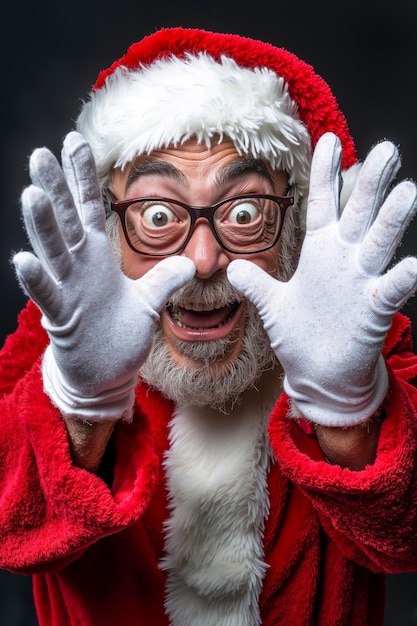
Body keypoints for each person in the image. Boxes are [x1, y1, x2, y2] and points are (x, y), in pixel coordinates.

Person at [1, 25, 417, 626]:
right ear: (106, 221)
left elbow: (402, 542)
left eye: (244, 213)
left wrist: (347, 409)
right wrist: (82, 403)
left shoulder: (358, 338)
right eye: (157, 214)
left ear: (298, 224)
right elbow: (15, 535)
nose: (201, 260)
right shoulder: (62, 333)